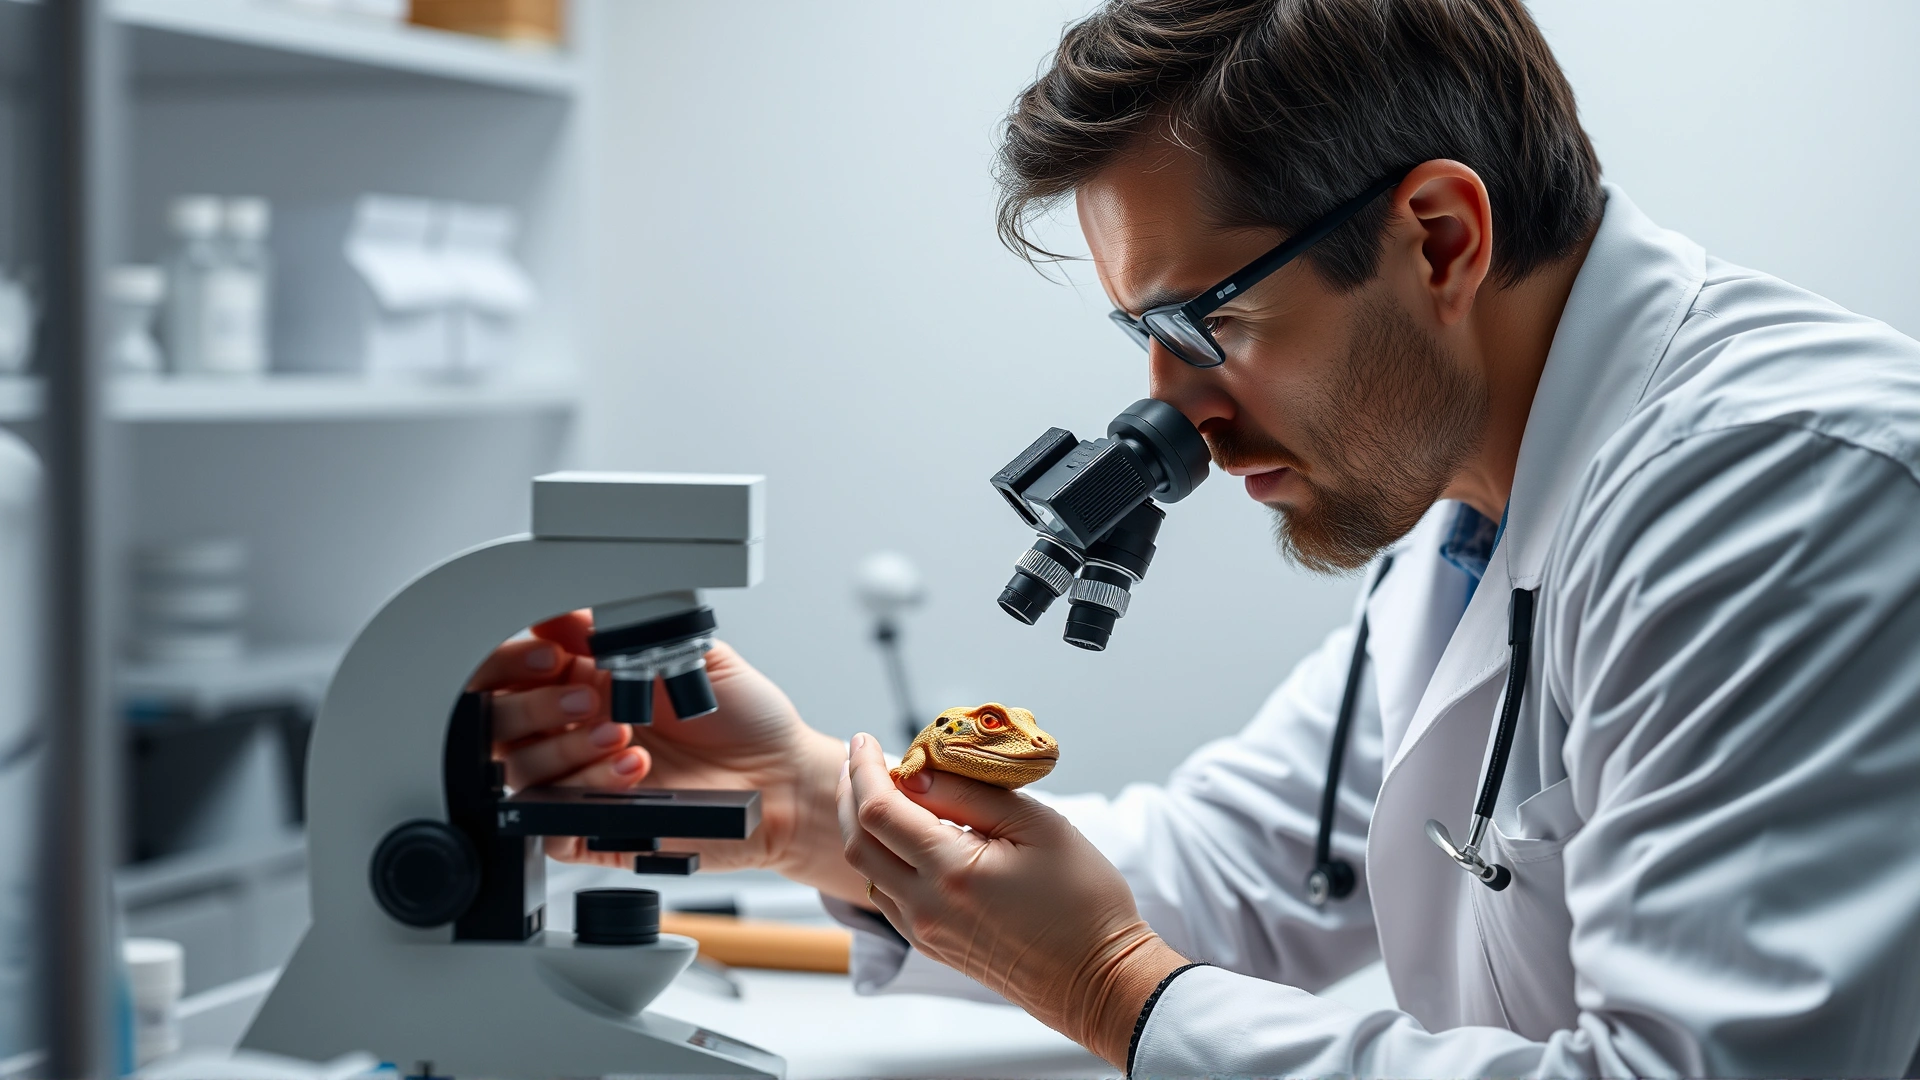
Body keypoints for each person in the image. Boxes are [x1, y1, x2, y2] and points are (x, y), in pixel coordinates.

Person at [473, 0, 1920, 1074]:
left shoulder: (1780, 495)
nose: (1174, 414)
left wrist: (1119, 990)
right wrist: (803, 807)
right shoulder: (1474, 504)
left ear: (1435, 237)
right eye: (1141, 336)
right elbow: (1257, 866)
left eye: (1204, 324)